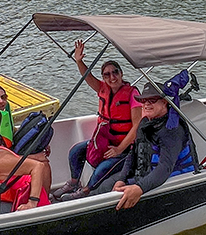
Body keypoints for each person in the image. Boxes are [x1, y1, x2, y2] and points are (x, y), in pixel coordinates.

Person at [54, 40, 142, 199]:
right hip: (103, 142)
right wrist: (79, 61)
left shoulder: (132, 93)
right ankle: (74, 183)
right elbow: (87, 76)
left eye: (115, 72)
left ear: (121, 73)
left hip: (125, 149)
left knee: (102, 168)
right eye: (106, 74)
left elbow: (137, 127)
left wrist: (119, 149)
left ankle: (85, 193)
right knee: (75, 152)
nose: (112, 77)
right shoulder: (102, 88)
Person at [96, 82, 195, 209]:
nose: (147, 104)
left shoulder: (172, 130)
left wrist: (139, 188)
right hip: (145, 172)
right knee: (106, 186)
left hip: (170, 181)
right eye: (144, 100)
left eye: (152, 100)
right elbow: (134, 153)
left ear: (164, 102)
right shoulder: (145, 122)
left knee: (117, 193)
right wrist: (122, 178)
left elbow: (165, 167)